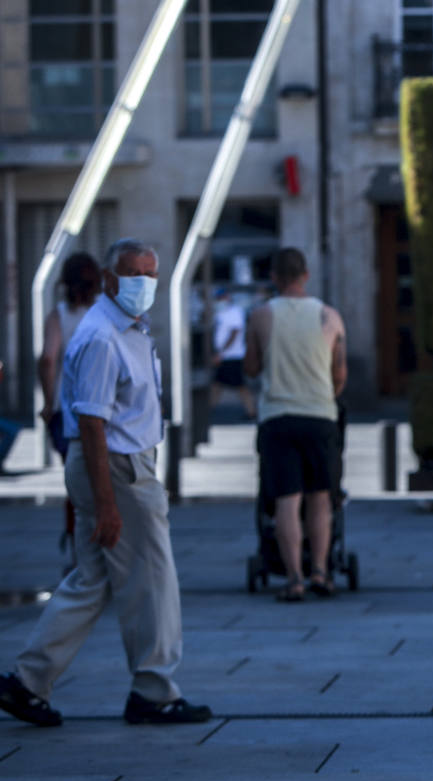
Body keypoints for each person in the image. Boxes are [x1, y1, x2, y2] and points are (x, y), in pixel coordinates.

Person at [0, 238, 212, 727]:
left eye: (151, 274)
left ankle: (27, 682)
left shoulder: (125, 327)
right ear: (109, 278)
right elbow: (92, 424)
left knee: (91, 580)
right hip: (118, 468)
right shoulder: (102, 336)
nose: (145, 284)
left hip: (118, 465)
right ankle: (154, 690)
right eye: (134, 274)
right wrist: (107, 503)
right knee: (153, 579)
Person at [243, 247, 347, 602]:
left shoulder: (260, 316)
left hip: (277, 417)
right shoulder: (329, 317)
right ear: (306, 275)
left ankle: (294, 579)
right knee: (321, 497)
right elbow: (340, 374)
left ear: (273, 277)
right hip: (319, 415)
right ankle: (320, 570)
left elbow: (251, 369)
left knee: (287, 500)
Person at [39, 252, 101, 459]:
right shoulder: (107, 313)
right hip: (104, 405)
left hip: (67, 408)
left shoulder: (59, 316)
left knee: (75, 474)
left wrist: (48, 404)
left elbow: (48, 359)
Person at [210, 287, 256, 420]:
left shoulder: (235, 312)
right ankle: (209, 409)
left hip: (232, 356)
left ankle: (251, 411)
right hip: (226, 356)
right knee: (217, 384)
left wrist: (221, 353)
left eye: (222, 298)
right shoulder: (221, 313)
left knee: (240, 386)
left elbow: (234, 333)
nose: (220, 301)